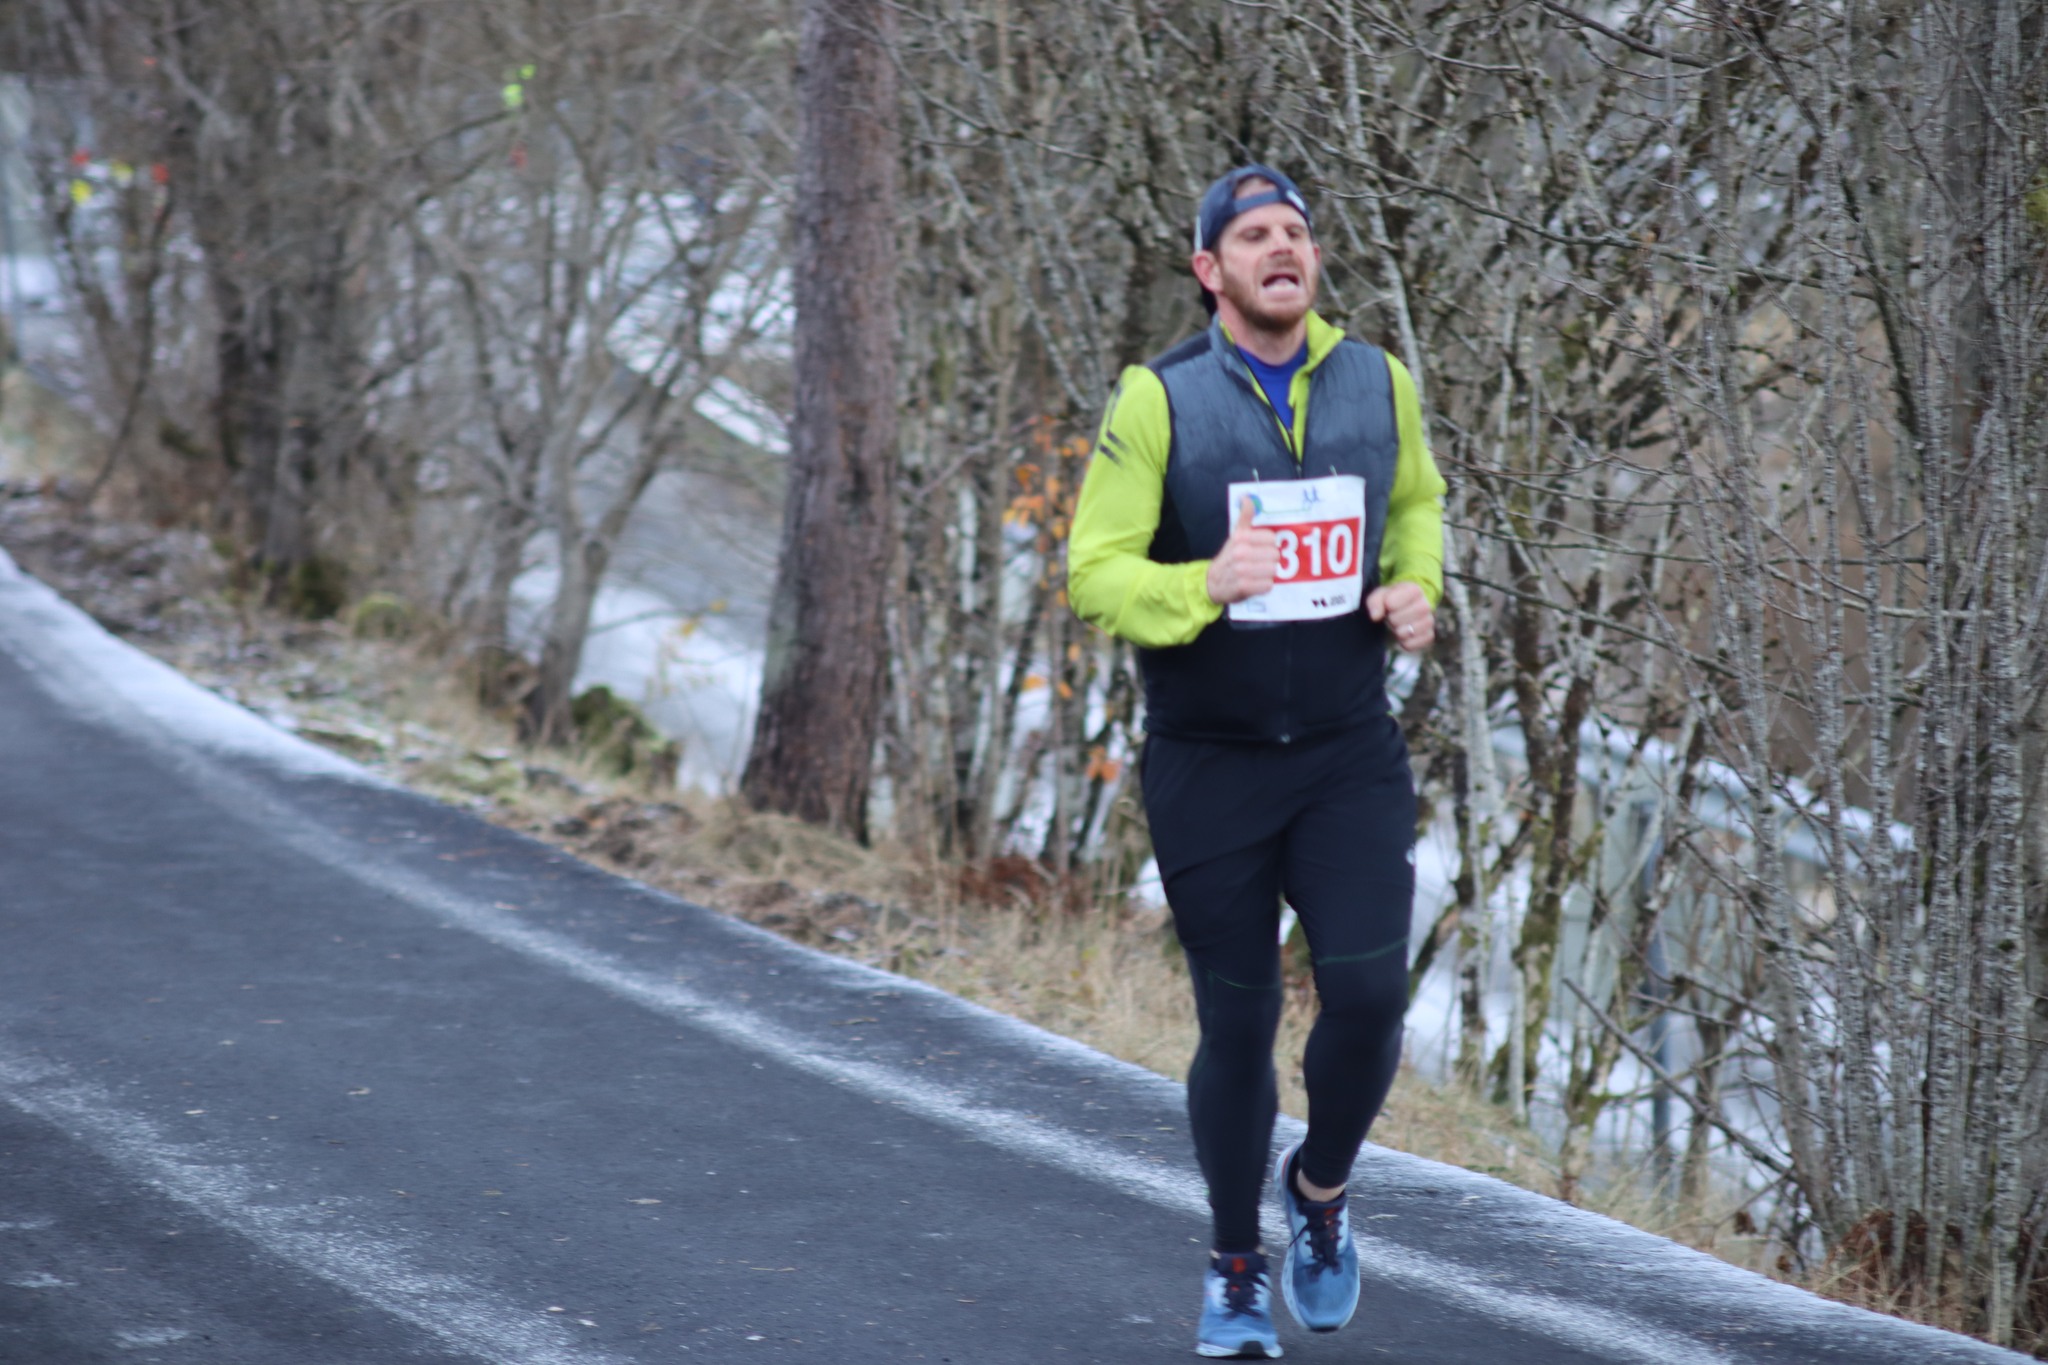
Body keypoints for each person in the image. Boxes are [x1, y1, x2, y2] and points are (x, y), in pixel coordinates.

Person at [1067, 165, 1445, 1359]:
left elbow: (1416, 505)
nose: (1282, 248)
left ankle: (1318, 1194)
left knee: (1369, 999)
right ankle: (1234, 1268)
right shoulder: (1158, 398)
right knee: (1236, 1027)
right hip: (1209, 764)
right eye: (1252, 236)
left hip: (1344, 753)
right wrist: (1202, 583)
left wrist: (1414, 586)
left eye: (1295, 232)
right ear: (1209, 270)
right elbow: (1092, 574)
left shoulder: (1377, 380)